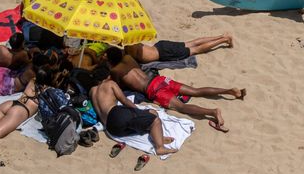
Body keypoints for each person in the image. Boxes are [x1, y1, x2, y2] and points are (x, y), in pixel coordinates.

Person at [102, 49, 241, 131]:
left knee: (181, 107)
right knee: (195, 90)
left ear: (110, 61)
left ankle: (212, 112)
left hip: (153, 90)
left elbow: (121, 86)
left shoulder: (115, 71)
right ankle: (228, 91)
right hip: (159, 80)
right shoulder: (128, 57)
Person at [90, 73, 180, 152]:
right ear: (108, 77)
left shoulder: (92, 91)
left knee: (145, 118)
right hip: (116, 114)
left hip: (111, 128)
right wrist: (138, 110)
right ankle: (160, 147)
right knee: (154, 118)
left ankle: (158, 138)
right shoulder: (110, 84)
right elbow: (124, 100)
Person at [124, 34, 234, 63]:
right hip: (160, 45)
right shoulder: (132, 40)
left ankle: (223, 40)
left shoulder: (129, 53)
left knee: (196, 49)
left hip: (164, 53)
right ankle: (221, 36)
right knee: (192, 43)